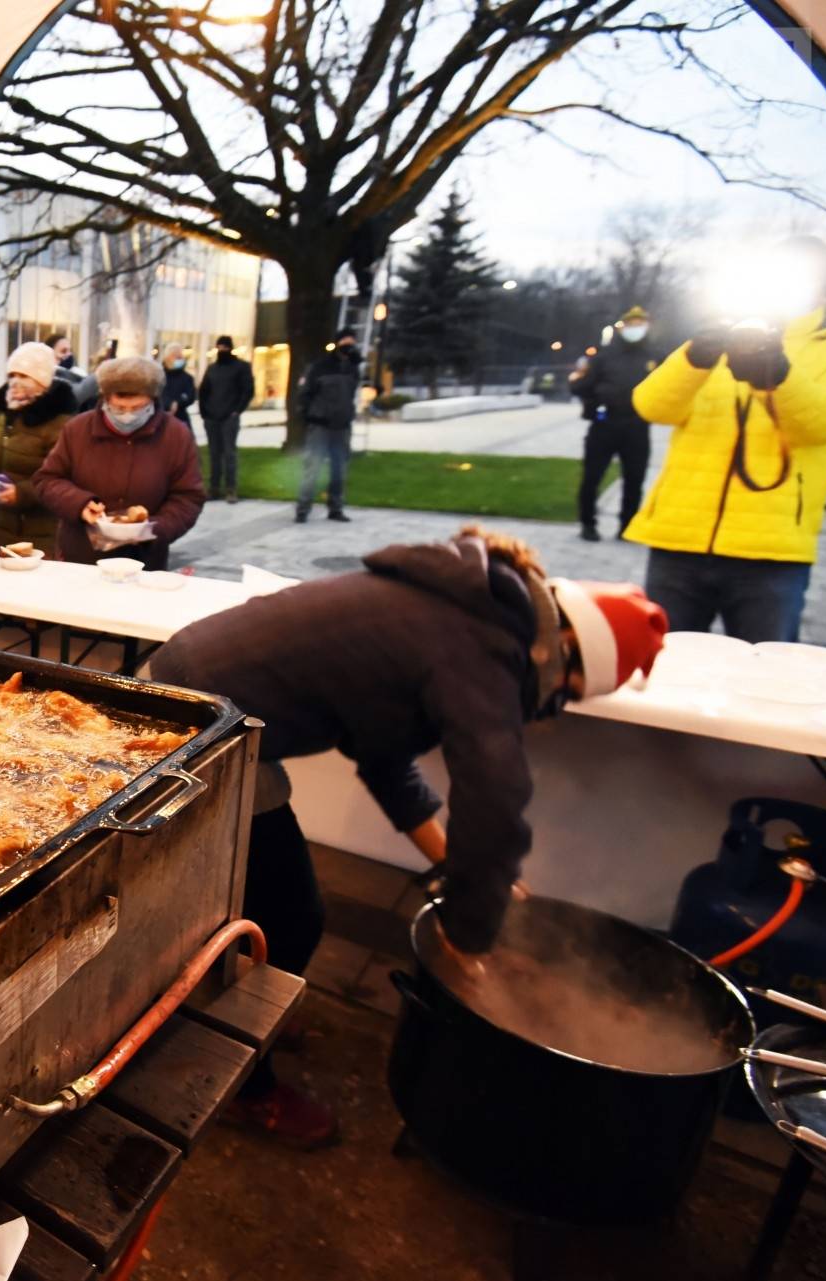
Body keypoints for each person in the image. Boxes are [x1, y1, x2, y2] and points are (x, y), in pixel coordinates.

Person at [150, 528, 667, 1145]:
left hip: (215, 703)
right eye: (563, 697)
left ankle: (257, 1001)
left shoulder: (474, 608)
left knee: (286, 913)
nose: (550, 707)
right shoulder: (482, 646)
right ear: (565, 657)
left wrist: (454, 867)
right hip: (195, 721)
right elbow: (495, 803)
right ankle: (235, 1073)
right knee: (287, 915)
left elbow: (385, 756)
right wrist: (471, 934)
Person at [628, 237, 826, 643]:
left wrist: (776, 377)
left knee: (762, 675)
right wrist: (694, 361)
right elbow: (651, 405)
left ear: (824, 287)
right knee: (662, 667)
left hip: (772, 551)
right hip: (680, 539)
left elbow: (824, 425)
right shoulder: (720, 336)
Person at [33, 355, 207, 571]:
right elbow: (47, 480)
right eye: (119, 407)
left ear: (152, 400)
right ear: (104, 399)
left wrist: (153, 529)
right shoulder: (77, 429)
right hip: (81, 558)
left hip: (144, 563)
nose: (128, 415)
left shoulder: (176, 436)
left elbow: (188, 497)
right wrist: (79, 504)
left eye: (137, 408)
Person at [0, 341, 77, 556]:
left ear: (43, 381)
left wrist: (22, 494)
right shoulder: (2, 413)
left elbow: (63, 479)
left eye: (24, 376)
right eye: (12, 375)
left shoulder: (60, 423)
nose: (16, 382)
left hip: (32, 535)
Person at [575, 308, 657, 542]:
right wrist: (594, 401)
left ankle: (627, 525)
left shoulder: (654, 356)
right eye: (631, 323)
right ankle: (588, 523)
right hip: (605, 424)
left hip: (637, 425)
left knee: (635, 479)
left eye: (640, 323)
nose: (636, 327)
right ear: (622, 327)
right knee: (592, 477)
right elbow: (582, 386)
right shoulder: (604, 357)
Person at [296, 328, 363, 523]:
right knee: (312, 469)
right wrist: (308, 416)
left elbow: (352, 393)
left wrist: (355, 363)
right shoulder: (320, 366)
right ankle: (303, 508)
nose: (349, 346)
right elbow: (305, 394)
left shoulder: (352, 368)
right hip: (320, 426)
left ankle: (336, 508)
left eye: (352, 342)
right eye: (345, 342)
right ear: (337, 343)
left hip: (341, 427)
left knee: (339, 470)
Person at [197, 335, 255, 503]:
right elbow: (204, 391)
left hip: (229, 415)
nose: (222, 351)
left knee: (229, 453)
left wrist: (237, 410)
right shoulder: (212, 369)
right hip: (212, 416)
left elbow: (247, 390)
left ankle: (231, 488)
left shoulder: (241, 367)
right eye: (219, 348)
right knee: (214, 453)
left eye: (224, 347)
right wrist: (204, 412)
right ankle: (214, 488)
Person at [159, 344, 197, 432]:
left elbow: (190, 396)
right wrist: (169, 404)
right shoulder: (158, 376)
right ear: (167, 358)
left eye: (180, 356)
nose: (179, 358)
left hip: (181, 418)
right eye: (176, 356)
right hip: (161, 418)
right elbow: (157, 394)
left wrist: (178, 403)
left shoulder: (187, 378)